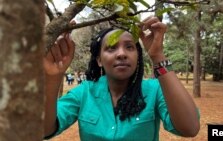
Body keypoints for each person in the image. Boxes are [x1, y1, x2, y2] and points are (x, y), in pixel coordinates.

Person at [43, 16, 200, 141]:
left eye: (129, 47)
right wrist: (52, 78)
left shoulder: (154, 90)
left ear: (137, 56)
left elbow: (189, 128)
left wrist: (158, 56)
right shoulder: (85, 92)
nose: (121, 54)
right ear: (99, 60)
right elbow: (44, 130)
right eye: (111, 48)